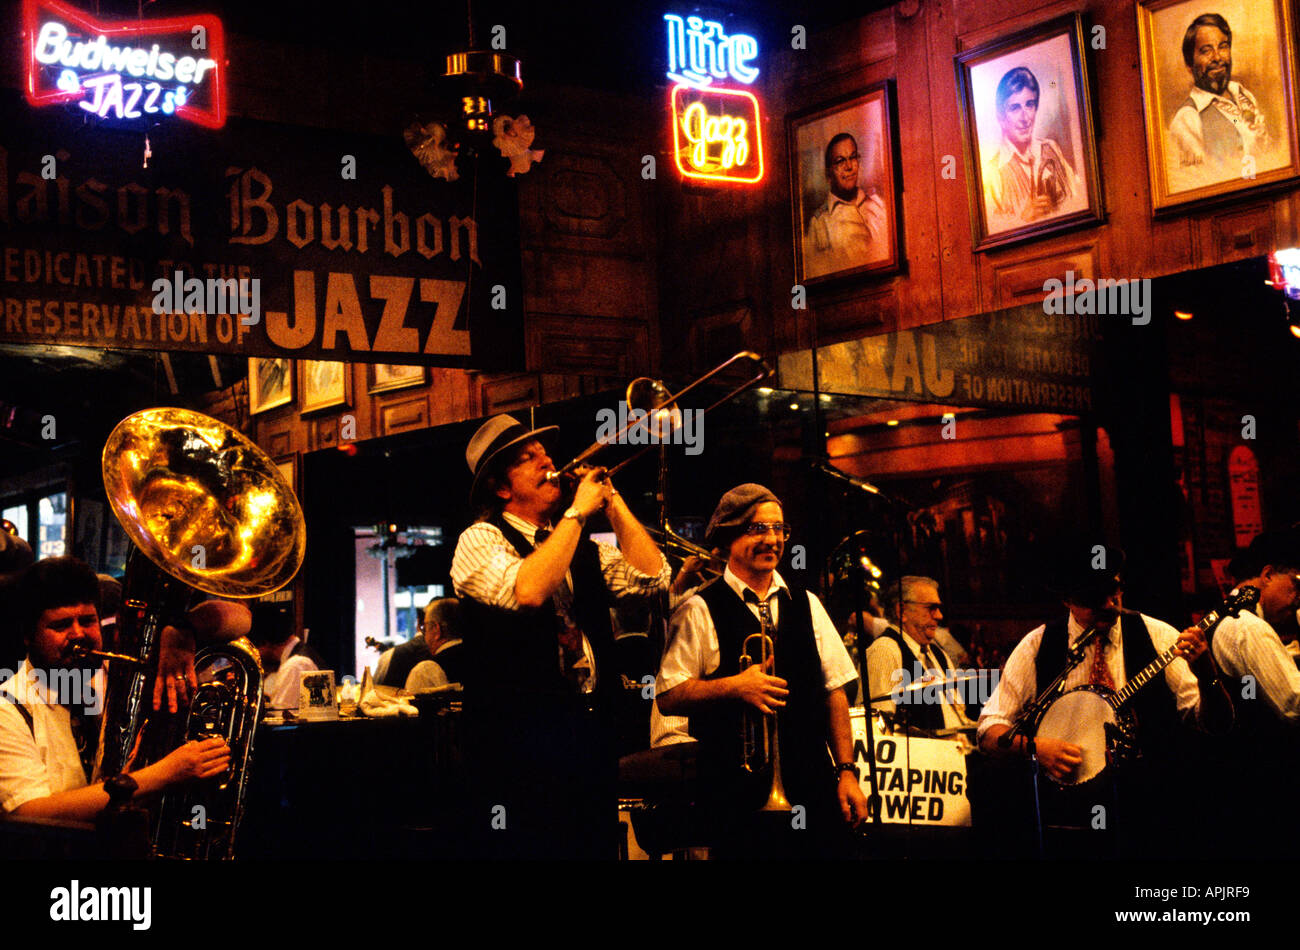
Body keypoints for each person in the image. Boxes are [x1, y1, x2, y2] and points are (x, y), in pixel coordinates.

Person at [450, 413, 669, 858]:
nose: (547, 462)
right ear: (501, 488)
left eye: (545, 453)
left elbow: (654, 578)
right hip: (515, 748)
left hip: (588, 734)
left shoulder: (579, 544)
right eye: (528, 458)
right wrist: (576, 512)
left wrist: (613, 503)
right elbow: (528, 591)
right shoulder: (479, 539)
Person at [976, 541, 1231, 855]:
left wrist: (1206, 672)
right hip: (1068, 808)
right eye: (1094, 598)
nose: (1110, 604)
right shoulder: (1037, 645)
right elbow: (989, 732)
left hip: (1152, 803)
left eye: (1115, 591)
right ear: (1068, 599)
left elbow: (1216, 724)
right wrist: (1037, 749)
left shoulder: (1159, 636)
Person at [655, 484, 869, 856]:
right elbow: (669, 696)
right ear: (728, 536)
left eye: (779, 529)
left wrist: (847, 770)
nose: (772, 539)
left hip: (812, 785)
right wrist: (735, 686)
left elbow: (834, 690)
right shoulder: (698, 608)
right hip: (733, 793)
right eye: (757, 529)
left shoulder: (808, 604)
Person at [0, 557, 229, 821]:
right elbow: (30, 812)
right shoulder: (8, 710)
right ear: (28, 635)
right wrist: (167, 773)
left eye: (87, 621)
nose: (78, 634)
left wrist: (183, 630)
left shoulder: (113, 672)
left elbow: (240, 619)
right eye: (61, 625)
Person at [864, 576, 975, 734]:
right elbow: (879, 728)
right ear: (902, 611)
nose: (939, 616)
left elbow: (959, 714)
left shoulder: (938, 654)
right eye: (931, 608)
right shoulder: (885, 651)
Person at [1167, 14, 1269, 178]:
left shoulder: (1243, 94)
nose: (1217, 57)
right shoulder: (1187, 120)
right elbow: (1197, 182)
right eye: (1206, 51)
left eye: (1222, 46)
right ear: (1189, 64)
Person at [982, 66, 1081, 231]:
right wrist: (1024, 219)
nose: (1025, 118)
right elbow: (995, 232)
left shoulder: (1051, 149)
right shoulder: (993, 174)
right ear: (1001, 116)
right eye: (1014, 108)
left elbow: (1078, 199)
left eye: (1029, 105)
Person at [804, 132, 889, 277]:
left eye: (853, 157)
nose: (849, 166)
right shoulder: (819, 224)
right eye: (840, 161)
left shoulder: (879, 206)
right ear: (829, 173)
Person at [251, 602, 322, 710]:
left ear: (265, 643)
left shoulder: (295, 665)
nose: (255, 655)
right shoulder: (297, 660)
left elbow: (281, 714)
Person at [403, 598, 465, 690]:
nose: (425, 635)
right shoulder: (485, 660)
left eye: (425, 627)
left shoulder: (425, 671)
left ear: (436, 629)